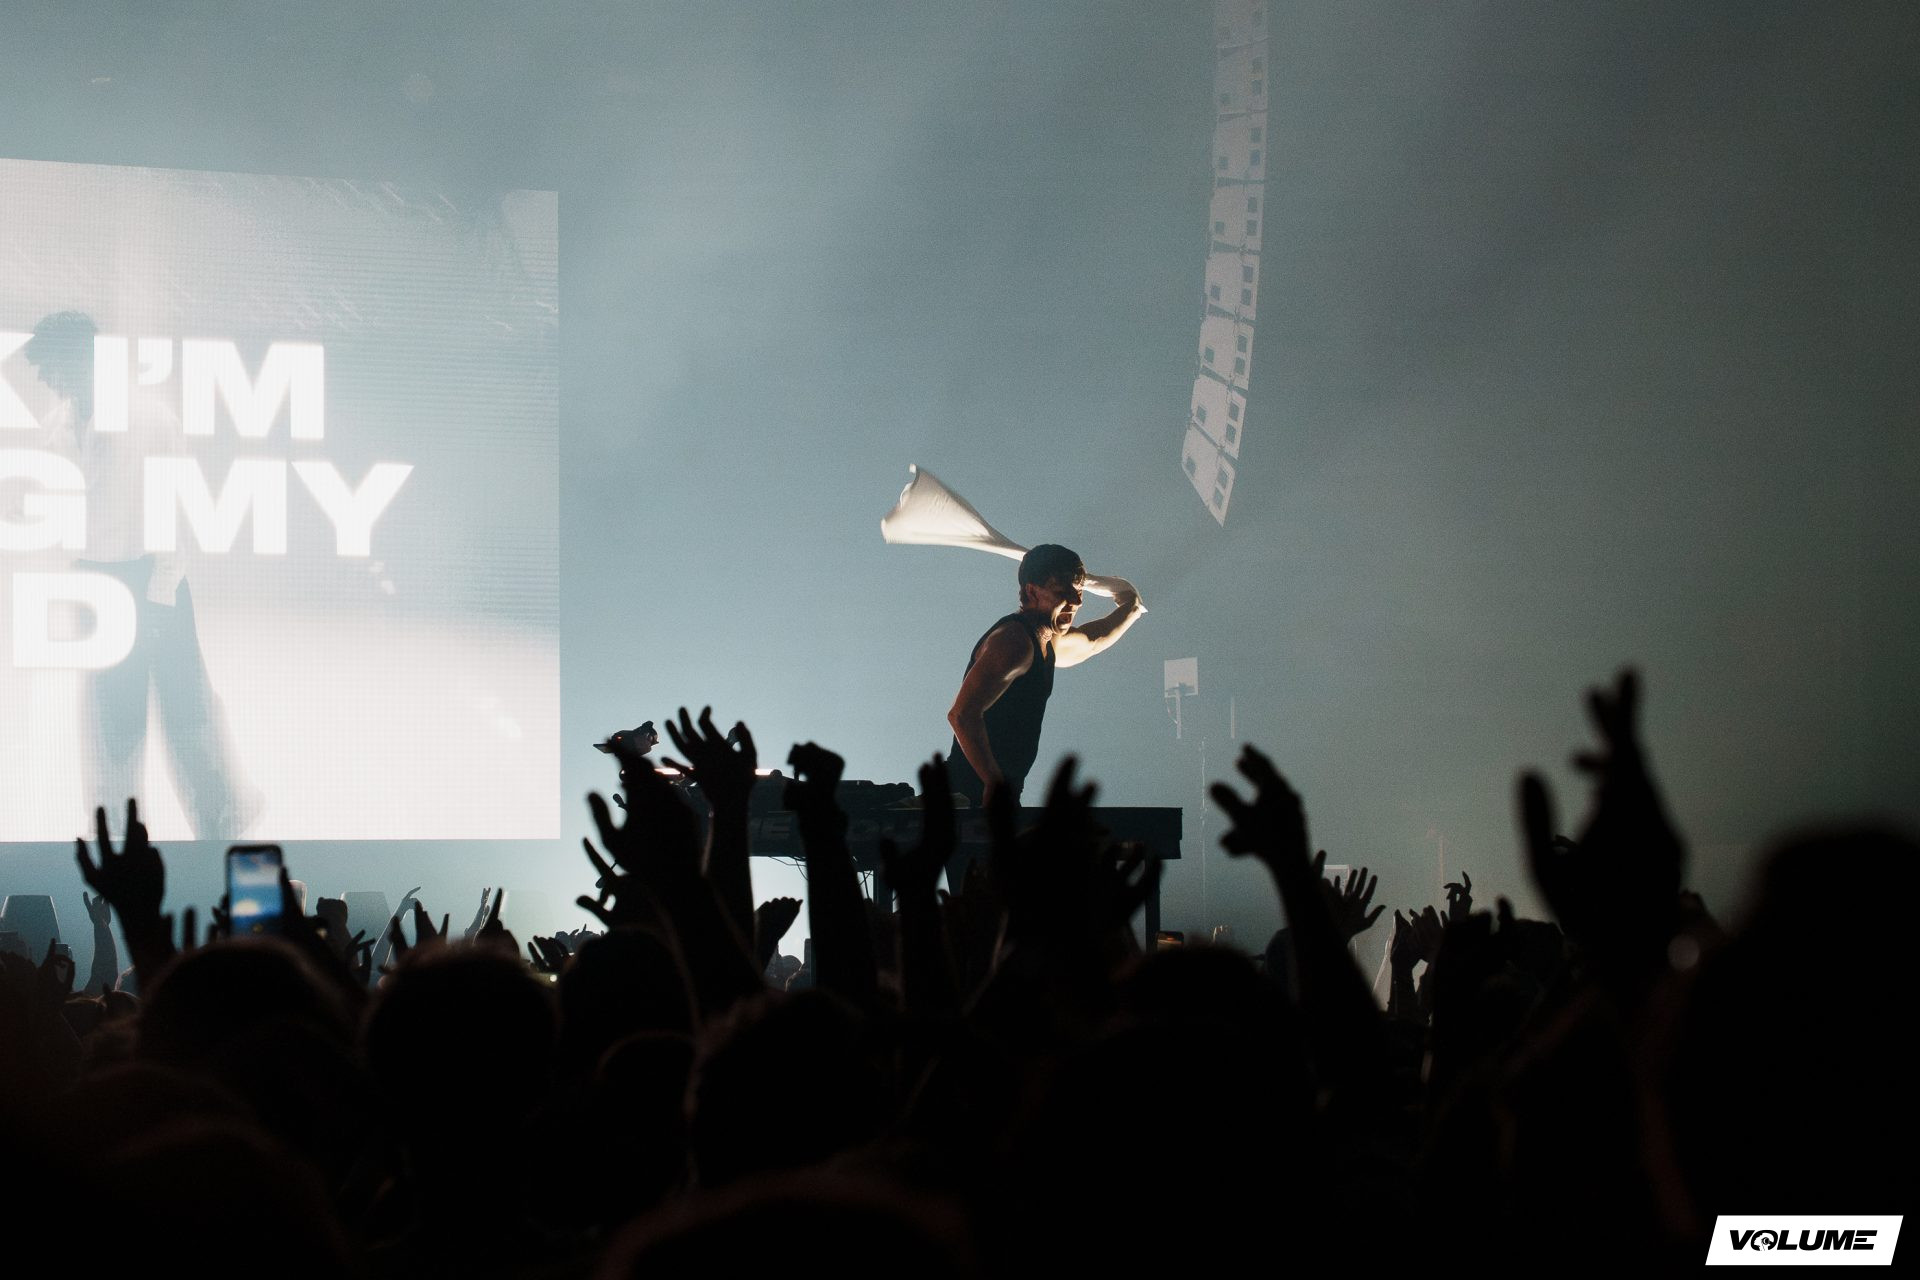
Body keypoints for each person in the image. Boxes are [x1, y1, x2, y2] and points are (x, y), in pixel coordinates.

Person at [945, 544, 1144, 806]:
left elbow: (1101, 633)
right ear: (1031, 591)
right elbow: (962, 715)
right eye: (1062, 591)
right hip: (965, 800)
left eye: (1079, 591)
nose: (1077, 601)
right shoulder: (1014, 642)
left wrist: (1112, 593)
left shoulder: (1049, 642)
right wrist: (994, 783)